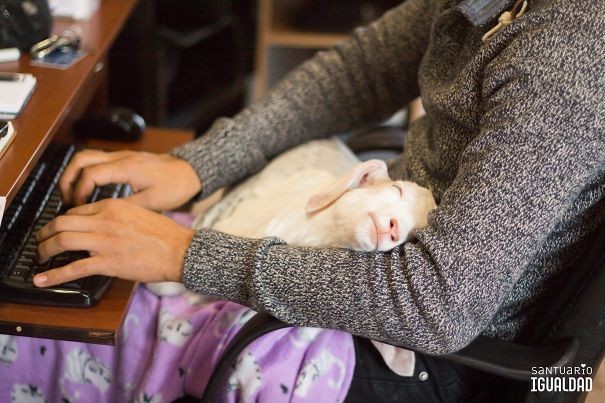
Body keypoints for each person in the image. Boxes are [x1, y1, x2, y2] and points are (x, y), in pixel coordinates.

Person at [31, 0, 604, 400]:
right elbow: (361, 72)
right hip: (372, 277)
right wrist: (195, 165)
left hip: (426, 357)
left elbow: (434, 304)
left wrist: (184, 254)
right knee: (115, 241)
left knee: (49, 327)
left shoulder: (567, 51)